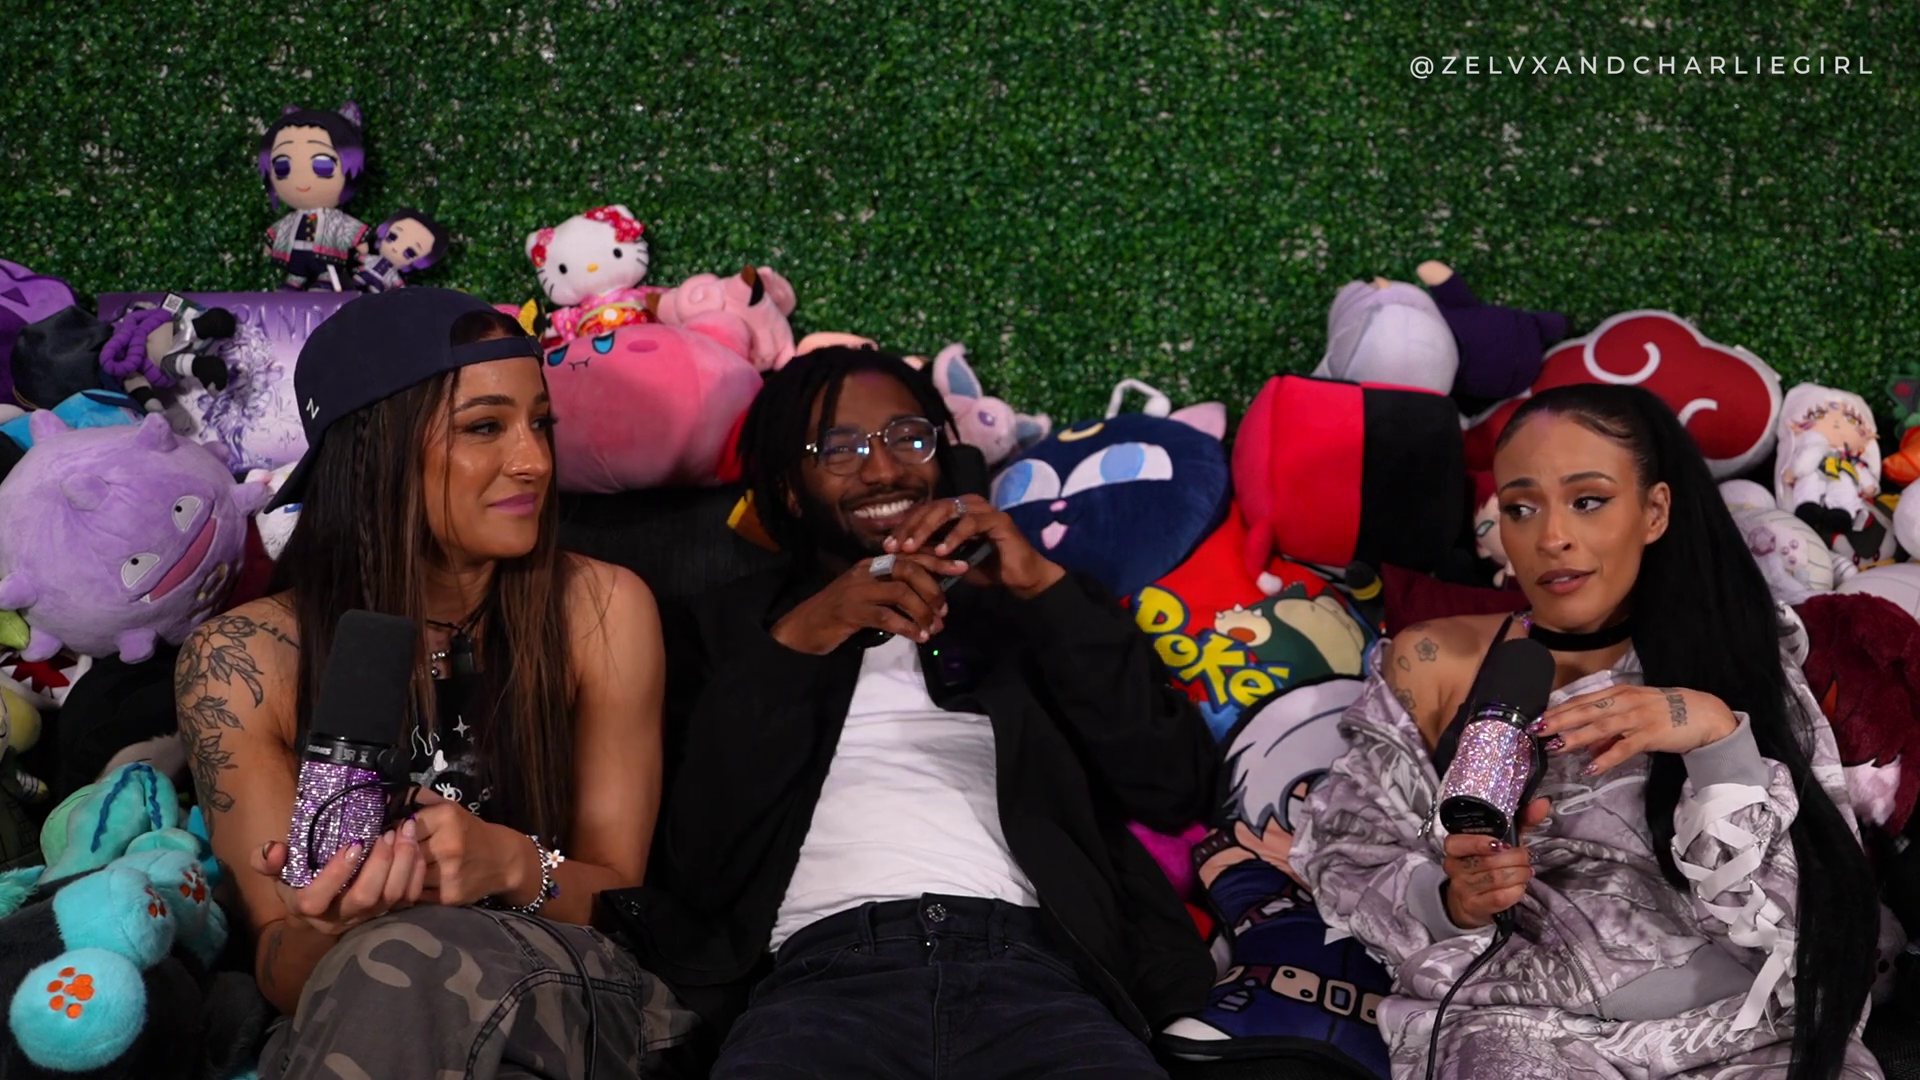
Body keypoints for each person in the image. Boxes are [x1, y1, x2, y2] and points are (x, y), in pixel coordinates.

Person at [622, 346, 1218, 1078]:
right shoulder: (721, 630)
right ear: (791, 490)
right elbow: (696, 863)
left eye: (909, 438)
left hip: (1042, 976)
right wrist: (800, 642)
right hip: (818, 985)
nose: (883, 470)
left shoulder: (1030, 610)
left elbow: (1172, 783)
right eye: (839, 449)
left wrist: (1043, 591)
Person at [1292, 383, 1901, 1080]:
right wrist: (1454, 900)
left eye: (1587, 500)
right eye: (1522, 508)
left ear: (1654, 511)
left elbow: (1806, 921)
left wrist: (1716, 744)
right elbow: (1345, 855)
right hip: (1523, 1034)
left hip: (1750, 1032)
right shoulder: (1435, 660)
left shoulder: (1739, 658)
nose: (1552, 537)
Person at [174, 289, 695, 1079]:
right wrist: (328, 924)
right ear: (374, 450)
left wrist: (506, 864)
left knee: (401, 958)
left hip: (572, 988)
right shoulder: (242, 660)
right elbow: (281, 963)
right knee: (384, 965)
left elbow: (621, 898)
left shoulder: (602, 608)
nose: (534, 461)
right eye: (485, 427)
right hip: (364, 1011)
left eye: (541, 424)